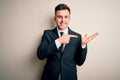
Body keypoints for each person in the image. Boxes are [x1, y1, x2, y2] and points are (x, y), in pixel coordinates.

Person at [37, 3, 98, 80]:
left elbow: (80, 62)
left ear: (69, 18)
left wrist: (83, 45)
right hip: (50, 77)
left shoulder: (77, 37)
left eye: (66, 17)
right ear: (55, 18)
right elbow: (40, 55)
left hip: (69, 76)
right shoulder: (47, 34)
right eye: (59, 17)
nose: (63, 20)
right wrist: (58, 41)